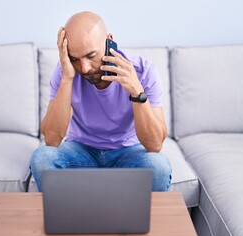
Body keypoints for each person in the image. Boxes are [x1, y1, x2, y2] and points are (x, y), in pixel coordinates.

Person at [30, 11, 172, 191]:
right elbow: (51, 139)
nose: (85, 68)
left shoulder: (143, 71)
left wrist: (137, 91)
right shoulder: (66, 71)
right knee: (42, 158)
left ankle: (119, 214)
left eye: (91, 56)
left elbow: (155, 145)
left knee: (158, 168)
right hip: (81, 151)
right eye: (75, 59)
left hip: (129, 152)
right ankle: (74, 216)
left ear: (109, 41)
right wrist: (67, 78)